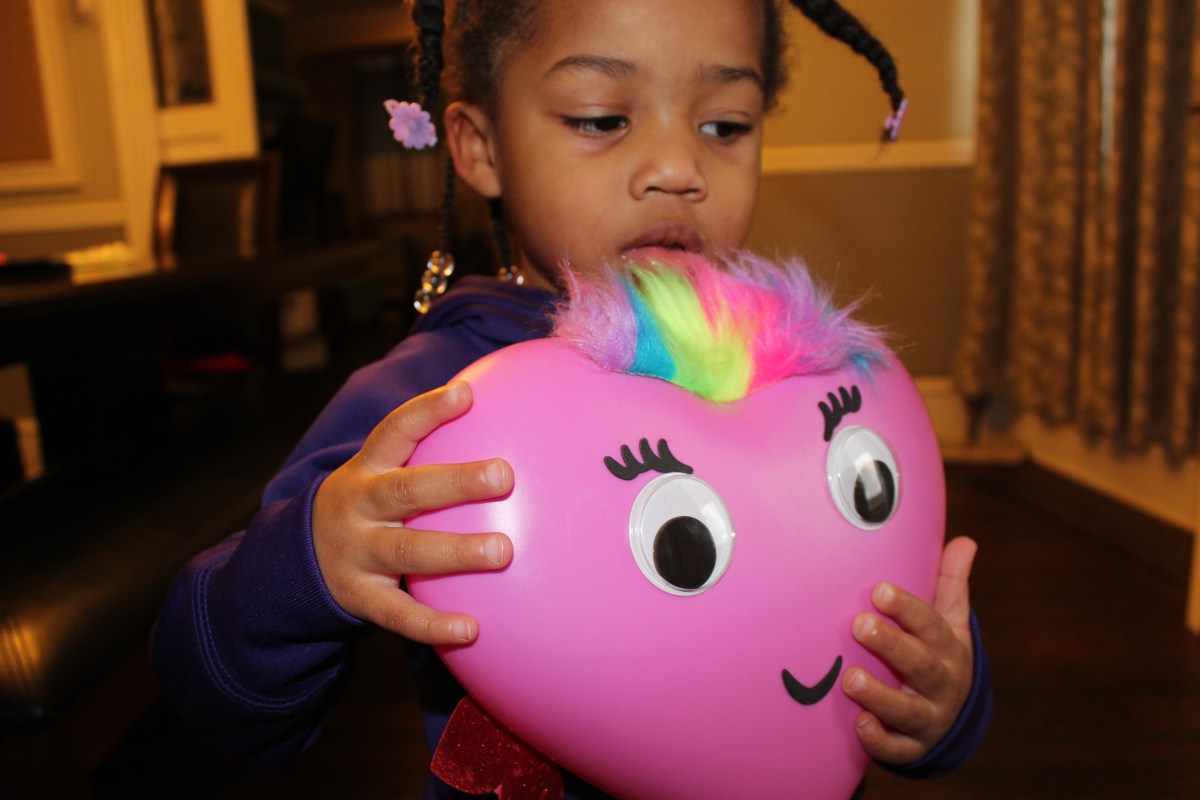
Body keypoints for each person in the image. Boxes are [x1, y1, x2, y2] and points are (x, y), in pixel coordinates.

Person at [151, 1, 993, 797]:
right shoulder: (429, 403)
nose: (679, 168)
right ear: (479, 147)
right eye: (601, 118)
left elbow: (874, 601)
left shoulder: (792, 371)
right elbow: (213, 691)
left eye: (726, 125)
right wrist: (312, 561)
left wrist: (944, 703)